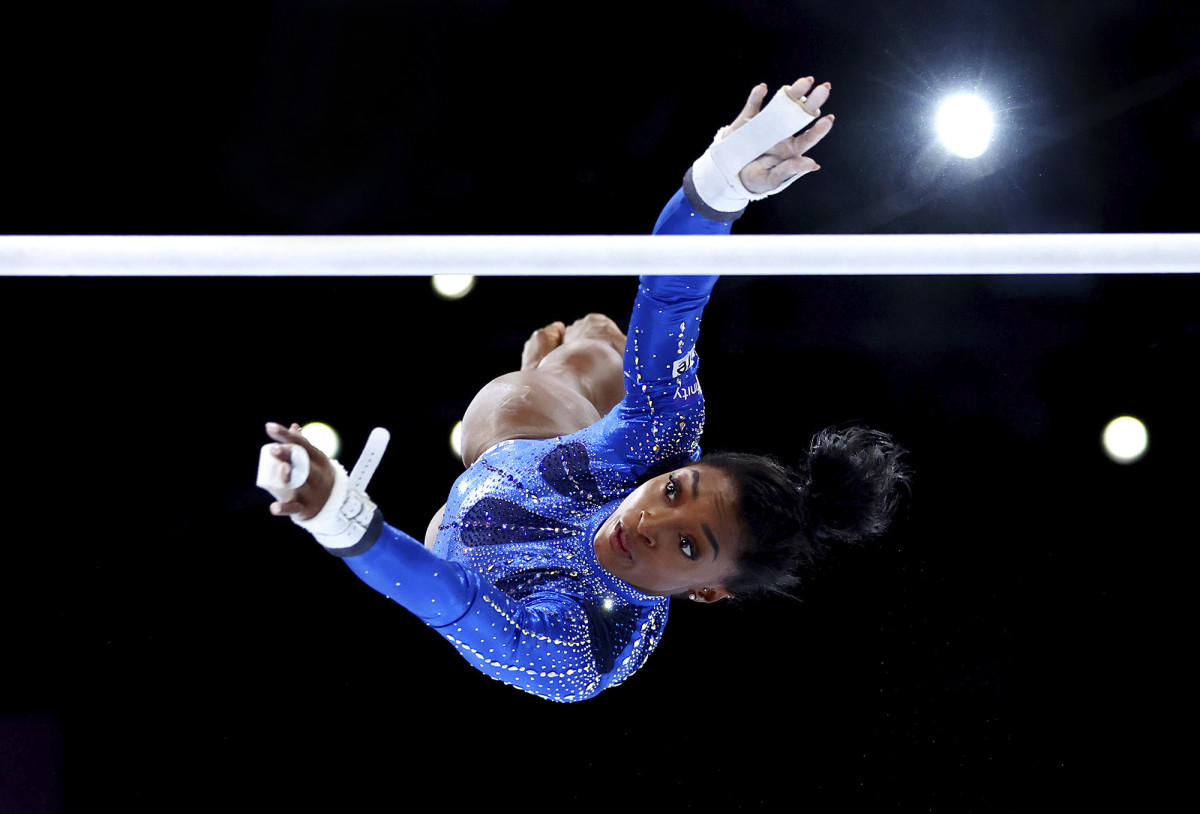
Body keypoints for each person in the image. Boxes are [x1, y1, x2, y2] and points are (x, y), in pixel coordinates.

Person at [259, 76, 911, 702]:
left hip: (472, 536)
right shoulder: (664, 438)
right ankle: (588, 365)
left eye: (690, 547)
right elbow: (672, 293)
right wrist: (716, 187)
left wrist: (336, 512)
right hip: (537, 451)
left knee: (528, 390)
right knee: (595, 347)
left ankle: (574, 370)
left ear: (708, 592)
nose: (650, 521)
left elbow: (445, 594)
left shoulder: (581, 649)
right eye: (674, 490)